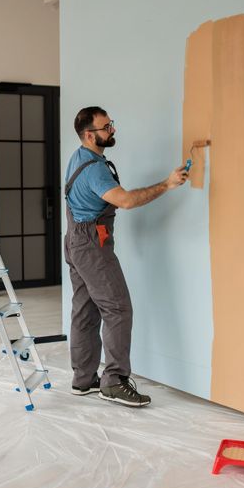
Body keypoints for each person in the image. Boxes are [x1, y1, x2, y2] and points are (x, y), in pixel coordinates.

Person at [64, 106, 188, 407]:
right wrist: (167, 184)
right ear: (89, 134)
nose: (112, 130)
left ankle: (83, 380)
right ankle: (114, 382)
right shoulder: (94, 169)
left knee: (85, 310)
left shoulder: (80, 157)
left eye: (111, 124)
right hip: (92, 245)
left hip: (76, 239)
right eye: (106, 127)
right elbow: (127, 201)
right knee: (118, 309)